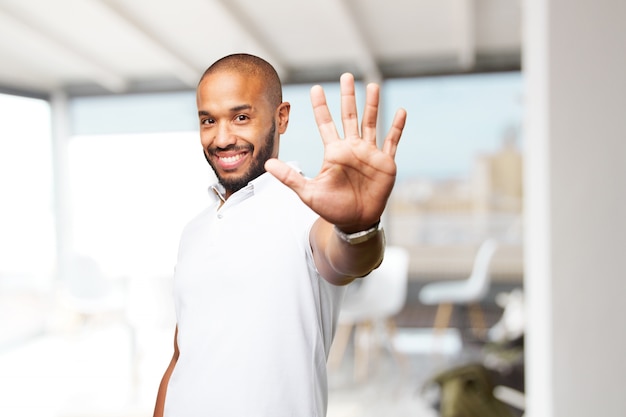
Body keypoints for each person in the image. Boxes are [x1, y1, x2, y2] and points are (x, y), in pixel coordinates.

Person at [153, 53, 407, 417]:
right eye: (209, 120)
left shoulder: (307, 211)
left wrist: (357, 227)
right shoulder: (193, 231)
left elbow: (347, 258)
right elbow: (181, 356)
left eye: (241, 117)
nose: (222, 138)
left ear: (281, 117)